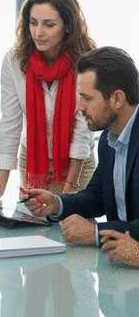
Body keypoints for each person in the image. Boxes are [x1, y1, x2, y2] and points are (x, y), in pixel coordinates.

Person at [0, 0, 97, 205]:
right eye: (33, 23)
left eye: (49, 24)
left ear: (68, 26)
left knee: (71, 227)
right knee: (36, 228)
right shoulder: (14, 61)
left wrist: (69, 188)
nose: (38, 32)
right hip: (32, 161)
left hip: (76, 163)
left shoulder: (86, 60)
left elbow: (82, 127)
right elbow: (10, 123)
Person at [22, 46, 139, 247]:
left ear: (117, 99)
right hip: (120, 263)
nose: (79, 106)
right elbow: (98, 196)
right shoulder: (108, 139)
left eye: (87, 98)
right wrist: (56, 203)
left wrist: (96, 233)